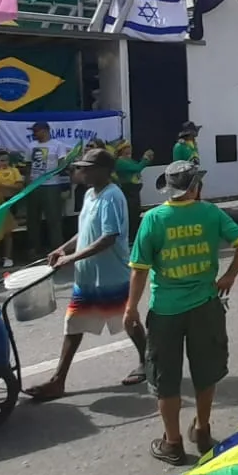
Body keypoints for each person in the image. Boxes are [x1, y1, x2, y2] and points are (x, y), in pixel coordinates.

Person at [126, 160, 238, 462]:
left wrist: (130, 308)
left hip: (165, 313)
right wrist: (229, 275)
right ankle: (203, 430)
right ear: (195, 187)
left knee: (166, 379)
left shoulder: (154, 219)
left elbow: (140, 270)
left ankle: (172, 443)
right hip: (205, 306)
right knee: (205, 373)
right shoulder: (210, 212)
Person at [27, 148, 150, 399]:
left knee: (128, 321)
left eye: (87, 168)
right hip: (88, 276)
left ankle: (147, 361)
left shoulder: (112, 196)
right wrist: (63, 248)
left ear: (104, 170)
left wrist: (72, 258)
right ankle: (58, 380)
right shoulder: (90, 195)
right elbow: (84, 231)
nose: (81, 172)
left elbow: (109, 237)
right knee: (73, 325)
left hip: (111, 274)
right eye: (81, 167)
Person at [22, 122, 69, 262]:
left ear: (45, 130)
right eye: (34, 131)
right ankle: (34, 249)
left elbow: (62, 164)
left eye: (37, 131)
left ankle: (57, 249)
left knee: (54, 219)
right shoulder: (31, 146)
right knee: (32, 219)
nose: (34, 133)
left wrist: (64, 174)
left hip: (51, 186)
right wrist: (27, 184)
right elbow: (28, 165)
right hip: (34, 187)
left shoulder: (57, 145)